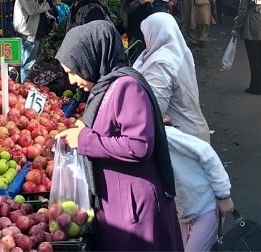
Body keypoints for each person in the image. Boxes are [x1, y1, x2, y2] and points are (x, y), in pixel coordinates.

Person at [56, 21, 184, 252]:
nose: (71, 81)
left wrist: (85, 139)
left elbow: (139, 145)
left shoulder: (126, 86)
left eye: (73, 72)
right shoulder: (106, 87)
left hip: (134, 207)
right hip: (118, 202)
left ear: (91, 57)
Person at [133, 12, 212, 142]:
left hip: (181, 137)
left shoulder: (161, 62)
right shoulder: (179, 52)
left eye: (146, 35)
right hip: (193, 130)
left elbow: (155, 106)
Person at [164, 117, 234, 252]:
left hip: (207, 205)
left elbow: (206, 153)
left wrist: (224, 195)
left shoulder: (166, 135)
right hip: (181, 210)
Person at [13, 0, 59, 81]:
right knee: (28, 64)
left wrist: (51, 19)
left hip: (40, 31)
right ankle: (25, 88)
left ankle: (31, 85)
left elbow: (42, 11)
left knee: (35, 64)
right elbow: (32, 9)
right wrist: (51, 4)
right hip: (29, 32)